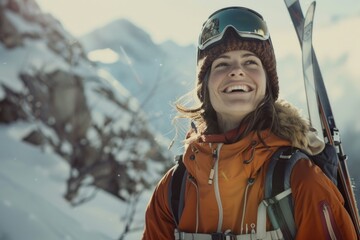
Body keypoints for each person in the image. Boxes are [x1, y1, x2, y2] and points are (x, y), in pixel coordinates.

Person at [142, 6, 357, 240]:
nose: (236, 71)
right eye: (222, 64)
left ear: (268, 84)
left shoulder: (299, 180)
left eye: (251, 62)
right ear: (204, 86)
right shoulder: (174, 190)